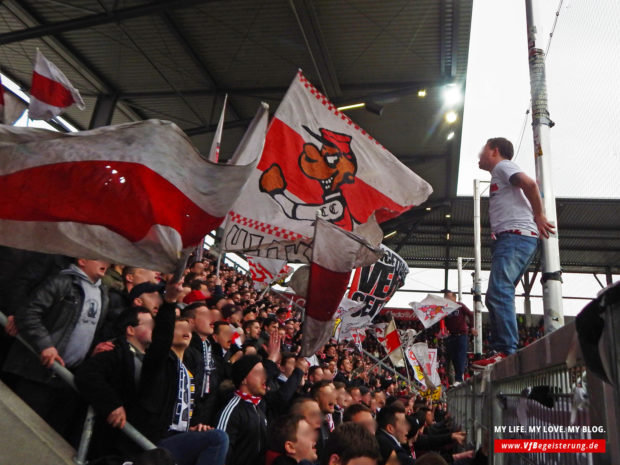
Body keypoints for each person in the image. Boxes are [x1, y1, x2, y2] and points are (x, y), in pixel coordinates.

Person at [3, 258, 110, 441]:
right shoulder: (62, 281)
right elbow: (28, 312)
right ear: (82, 260)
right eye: (97, 258)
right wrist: (45, 345)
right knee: (15, 434)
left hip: (64, 378)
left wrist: (91, 351)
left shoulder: (103, 294)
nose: (105, 263)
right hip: (36, 371)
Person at [474, 137, 555, 368]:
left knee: (499, 292)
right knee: (498, 293)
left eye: (483, 149)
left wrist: (538, 215)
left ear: (495, 151)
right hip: (512, 237)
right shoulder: (499, 174)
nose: (479, 155)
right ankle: (504, 348)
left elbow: (529, 184)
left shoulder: (503, 166)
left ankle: (506, 350)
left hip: (516, 236)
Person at [216, 355, 269, 465]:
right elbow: (220, 452)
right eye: (259, 373)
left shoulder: (259, 410)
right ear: (244, 379)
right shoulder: (231, 410)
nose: (264, 378)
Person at [443, 291, 476, 385]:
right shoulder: (445, 309)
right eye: (445, 297)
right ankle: (457, 378)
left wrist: (472, 327)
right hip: (451, 336)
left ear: (454, 298)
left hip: (462, 335)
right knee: (454, 358)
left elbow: (470, 314)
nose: (447, 299)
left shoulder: (460, 306)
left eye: (448, 297)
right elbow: (443, 321)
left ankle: (459, 379)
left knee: (460, 356)